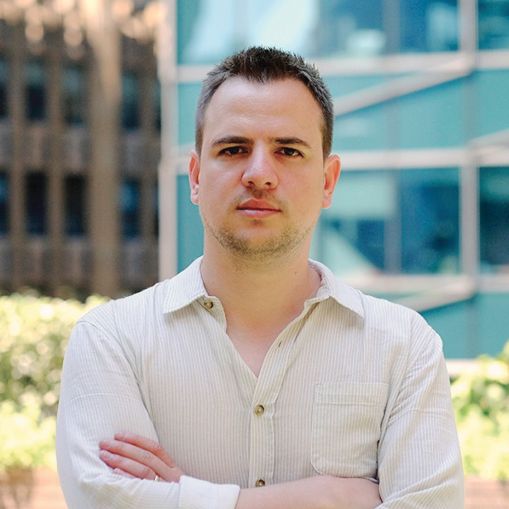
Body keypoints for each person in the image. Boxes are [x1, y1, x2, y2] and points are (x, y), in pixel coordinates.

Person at [56, 46, 464, 508]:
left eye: (288, 151)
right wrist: (329, 498)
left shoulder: (404, 346)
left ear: (328, 181)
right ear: (194, 176)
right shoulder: (112, 341)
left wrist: (183, 497)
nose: (259, 174)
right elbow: (103, 501)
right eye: (234, 149)